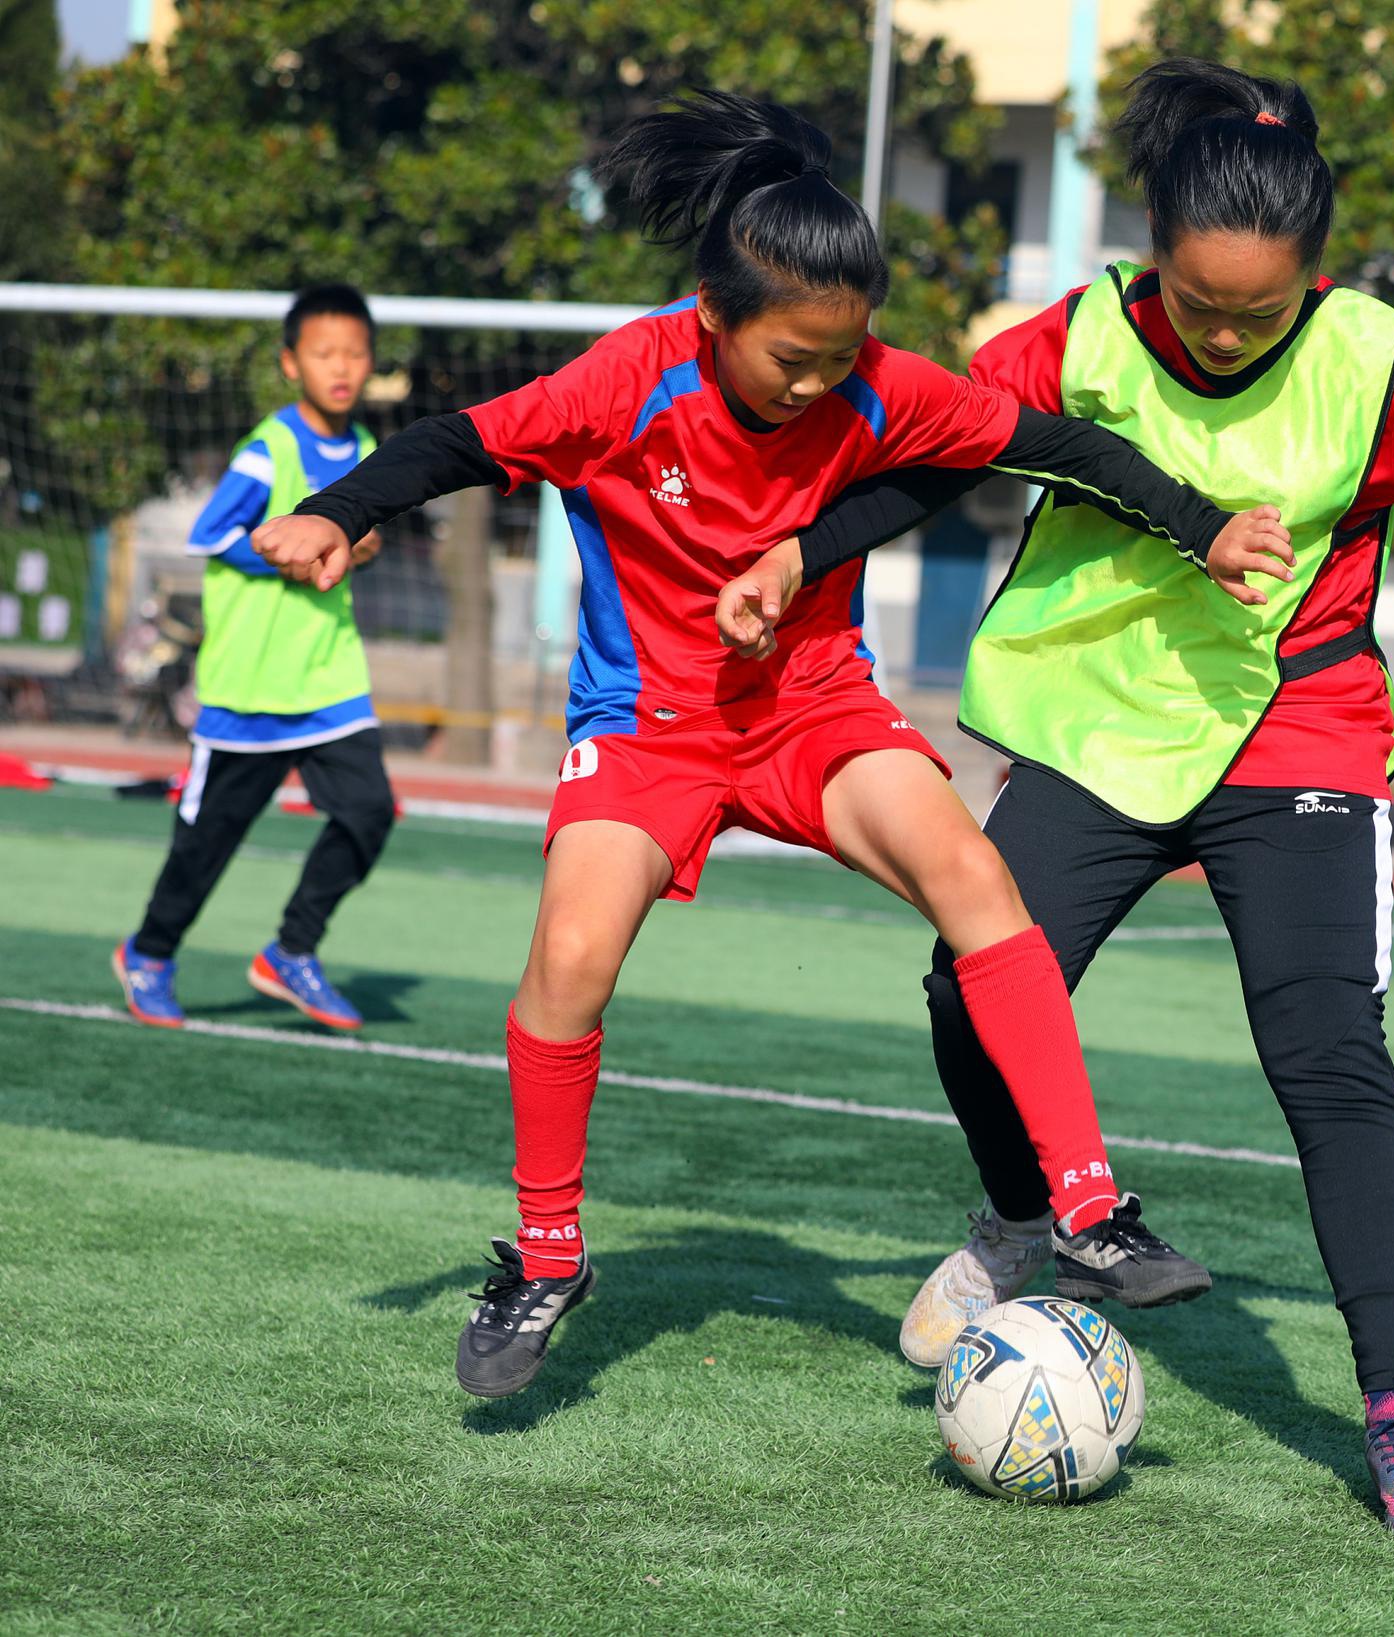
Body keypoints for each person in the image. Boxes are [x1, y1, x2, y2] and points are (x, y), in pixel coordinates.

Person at [721, 61, 1394, 1544]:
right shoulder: (1075, 337)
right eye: (1195, 300)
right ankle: (1019, 1223)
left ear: (1314, 274)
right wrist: (804, 554)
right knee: (973, 983)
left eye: (1259, 307)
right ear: (1152, 251)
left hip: (1293, 730)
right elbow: (933, 464)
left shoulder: (1386, 367)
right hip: (1103, 724)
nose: (1223, 331)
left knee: (1325, 1053)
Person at [251, 91, 1292, 1401]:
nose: (820, 383)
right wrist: (337, 512)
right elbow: (463, 441)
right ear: (713, 317)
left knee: (975, 879)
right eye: (792, 358)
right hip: (648, 728)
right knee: (569, 956)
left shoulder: (871, 386)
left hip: (812, 705)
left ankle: (1086, 1208)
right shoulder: (632, 377)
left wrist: (1203, 525)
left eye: (843, 356)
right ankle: (550, 1256)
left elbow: (1059, 446)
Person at [113, 283, 395, 1034]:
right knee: (208, 841)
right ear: (290, 363)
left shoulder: (366, 451)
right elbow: (209, 533)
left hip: (330, 676)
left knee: (369, 812)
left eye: (355, 353)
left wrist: (357, 544)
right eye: (324, 353)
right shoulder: (270, 451)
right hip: (249, 684)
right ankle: (148, 952)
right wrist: (289, 552)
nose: (341, 367)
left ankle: (291, 950)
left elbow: (359, 542)